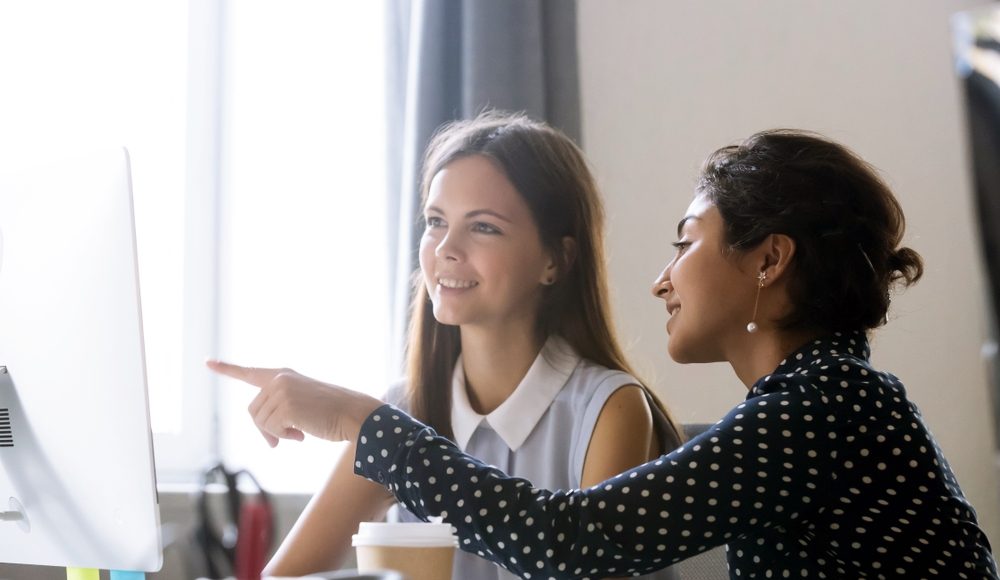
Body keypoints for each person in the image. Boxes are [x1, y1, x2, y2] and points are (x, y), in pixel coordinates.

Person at [211, 129, 1000, 578]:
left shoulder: (824, 407)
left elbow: (571, 540)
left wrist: (362, 423)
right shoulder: (819, 403)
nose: (662, 278)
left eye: (685, 243)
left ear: (769, 260)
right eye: (436, 222)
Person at [211, 111, 683, 579]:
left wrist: (356, 417)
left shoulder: (610, 409)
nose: (445, 249)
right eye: (436, 221)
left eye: (483, 227)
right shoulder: (405, 408)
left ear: (555, 260)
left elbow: (581, 563)